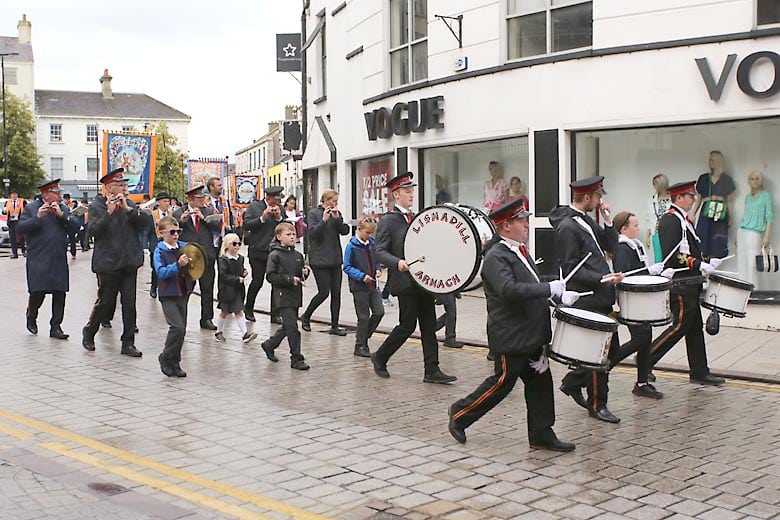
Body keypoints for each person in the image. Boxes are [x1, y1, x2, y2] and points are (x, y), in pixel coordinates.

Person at [447, 198, 577, 451]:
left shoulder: (518, 250)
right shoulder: (497, 256)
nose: (527, 224)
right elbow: (509, 290)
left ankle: (542, 432)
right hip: (512, 335)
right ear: (506, 225)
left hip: (532, 332)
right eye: (521, 220)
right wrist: (547, 287)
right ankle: (460, 414)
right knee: (502, 383)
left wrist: (557, 294)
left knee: (540, 383)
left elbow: (530, 284)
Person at [549, 176, 624, 424]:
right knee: (597, 354)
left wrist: (608, 220)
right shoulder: (568, 227)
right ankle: (597, 404)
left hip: (600, 295)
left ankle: (572, 382)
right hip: (588, 297)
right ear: (588, 197)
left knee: (611, 351)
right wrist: (603, 278)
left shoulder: (586, 221)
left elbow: (612, 246)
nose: (600, 200)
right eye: (598, 196)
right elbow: (571, 269)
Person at [371, 172, 457, 384]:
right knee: (407, 325)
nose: (411, 195)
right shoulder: (388, 221)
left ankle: (432, 370)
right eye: (407, 191)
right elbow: (380, 251)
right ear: (396, 194)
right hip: (405, 282)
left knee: (428, 327)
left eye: (412, 191)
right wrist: (397, 262)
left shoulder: (418, 218)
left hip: (423, 281)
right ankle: (380, 356)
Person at [649, 180, 726, 386]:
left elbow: (688, 251)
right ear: (679, 198)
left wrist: (706, 261)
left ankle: (699, 370)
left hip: (689, 282)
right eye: (690, 196)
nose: (693, 199)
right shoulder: (671, 220)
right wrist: (699, 264)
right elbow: (673, 256)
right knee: (680, 326)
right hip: (680, 284)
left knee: (694, 329)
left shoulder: (683, 220)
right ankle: (645, 360)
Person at [81, 168, 151, 357]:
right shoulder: (97, 206)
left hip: (129, 261)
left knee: (130, 304)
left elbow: (145, 223)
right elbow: (93, 232)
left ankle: (128, 343)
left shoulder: (129, 204)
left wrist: (128, 210)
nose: (124, 187)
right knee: (105, 302)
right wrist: (109, 213)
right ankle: (89, 331)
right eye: (120, 185)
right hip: (108, 263)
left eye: (124, 184)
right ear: (109, 188)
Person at [610, 211, 673, 399]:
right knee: (640, 340)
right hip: (631, 302)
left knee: (645, 339)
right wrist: (650, 271)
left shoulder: (634, 245)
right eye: (635, 225)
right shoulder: (622, 248)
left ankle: (642, 382)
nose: (639, 228)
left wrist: (657, 275)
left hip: (641, 301)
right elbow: (626, 275)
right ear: (624, 229)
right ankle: (601, 367)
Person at [17, 179, 80, 339]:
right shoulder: (31, 208)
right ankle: (31, 317)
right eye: (56, 193)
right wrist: (37, 218)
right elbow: (20, 228)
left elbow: (75, 226)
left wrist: (61, 216)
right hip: (39, 258)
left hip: (58, 258)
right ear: (45, 194)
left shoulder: (63, 208)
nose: (59, 196)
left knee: (60, 293)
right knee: (38, 292)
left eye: (59, 193)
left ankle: (56, 326)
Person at [260, 222, 311, 370]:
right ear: (279, 237)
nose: (292, 237)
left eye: (293, 234)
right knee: (293, 328)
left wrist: (304, 274)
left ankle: (269, 345)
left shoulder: (297, 255)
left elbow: (300, 276)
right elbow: (270, 276)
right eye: (288, 234)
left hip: (295, 296)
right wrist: (289, 280)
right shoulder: (274, 255)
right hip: (282, 296)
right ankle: (296, 358)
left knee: (287, 326)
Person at [301, 189, 350, 335]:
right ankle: (306, 316)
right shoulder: (314, 213)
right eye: (334, 200)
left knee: (337, 293)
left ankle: (334, 326)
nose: (336, 203)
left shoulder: (336, 213)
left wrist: (337, 219)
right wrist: (324, 220)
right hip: (319, 259)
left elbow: (345, 231)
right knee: (323, 292)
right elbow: (313, 234)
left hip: (335, 258)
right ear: (326, 200)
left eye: (336, 201)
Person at [174, 185, 223, 330]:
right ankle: (181, 318)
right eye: (199, 198)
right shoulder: (179, 212)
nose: (202, 201)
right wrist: (182, 221)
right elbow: (173, 230)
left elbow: (218, 228)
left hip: (206, 255)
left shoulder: (208, 211)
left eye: (203, 198)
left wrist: (204, 219)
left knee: (207, 289)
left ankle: (206, 318)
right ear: (191, 199)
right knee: (186, 289)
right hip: (189, 257)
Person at [152, 216, 194, 377]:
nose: (176, 235)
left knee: (182, 330)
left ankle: (175, 362)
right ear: (162, 233)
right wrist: (178, 265)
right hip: (168, 293)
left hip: (183, 292)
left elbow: (197, 260)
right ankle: (165, 357)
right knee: (177, 327)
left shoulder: (184, 247)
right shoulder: (159, 250)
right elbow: (161, 272)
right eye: (172, 232)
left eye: (178, 231)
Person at [343, 216, 385, 358]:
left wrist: (378, 268)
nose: (369, 236)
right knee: (363, 317)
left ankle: (363, 337)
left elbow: (377, 260)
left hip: (373, 285)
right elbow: (347, 267)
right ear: (359, 229)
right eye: (367, 232)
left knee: (379, 312)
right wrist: (361, 276)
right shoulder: (352, 246)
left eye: (371, 233)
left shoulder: (372, 243)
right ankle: (360, 346)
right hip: (359, 286)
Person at [243, 186, 285, 323]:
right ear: (268, 198)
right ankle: (248, 308)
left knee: (276, 283)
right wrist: (262, 217)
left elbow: (286, 228)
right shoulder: (255, 206)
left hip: (275, 251)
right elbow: (246, 224)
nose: (277, 203)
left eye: (279, 199)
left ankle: (275, 313)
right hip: (258, 251)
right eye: (275, 199)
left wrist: (279, 218)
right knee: (258, 281)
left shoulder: (280, 208)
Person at [214, 232, 257, 344]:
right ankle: (219, 331)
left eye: (239, 243)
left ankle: (244, 334)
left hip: (237, 290)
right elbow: (223, 275)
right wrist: (237, 279)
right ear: (227, 245)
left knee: (238, 311)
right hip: (227, 290)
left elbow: (240, 269)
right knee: (225, 312)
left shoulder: (240, 258)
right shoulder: (223, 259)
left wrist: (244, 272)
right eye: (234, 244)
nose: (237, 246)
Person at [693, 151, 736, 259]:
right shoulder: (703, 178)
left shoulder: (727, 179)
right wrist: (693, 213)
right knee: (703, 239)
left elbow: (729, 201)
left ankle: (714, 267)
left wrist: (731, 216)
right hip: (706, 212)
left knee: (718, 241)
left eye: (713, 160)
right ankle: (704, 265)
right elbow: (698, 199)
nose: (710, 162)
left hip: (720, 213)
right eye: (709, 160)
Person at [737, 170, 774, 286]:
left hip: (754, 232)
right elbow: (745, 216)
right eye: (752, 178)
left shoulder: (766, 196)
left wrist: (767, 236)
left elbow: (769, 217)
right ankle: (742, 289)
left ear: (761, 180)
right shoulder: (748, 197)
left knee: (752, 263)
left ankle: (754, 290)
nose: (754, 181)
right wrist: (736, 235)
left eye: (757, 178)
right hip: (742, 231)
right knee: (742, 262)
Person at [148, 192, 173, 299]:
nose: (167, 203)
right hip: (156, 243)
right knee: (156, 267)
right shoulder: (152, 215)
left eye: (168, 201)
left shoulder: (172, 214)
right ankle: (154, 286)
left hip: (169, 244)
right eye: (164, 201)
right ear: (158, 202)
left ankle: (165, 288)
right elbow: (148, 231)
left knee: (168, 266)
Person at [647, 174, 672, 262]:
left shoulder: (672, 198)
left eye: (655, 184)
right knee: (658, 257)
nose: (654, 187)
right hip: (657, 231)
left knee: (669, 256)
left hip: (670, 232)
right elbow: (650, 218)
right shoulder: (653, 199)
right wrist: (648, 236)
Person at [3, 190, 26, 258]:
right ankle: (14, 253)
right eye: (12, 194)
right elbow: (4, 211)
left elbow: (26, 210)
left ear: (17, 195)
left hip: (20, 221)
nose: (14, 196)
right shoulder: (7, 202)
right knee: (12, 238)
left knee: (21, 237)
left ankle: (23, 251)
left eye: (15, 194)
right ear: (10, 195)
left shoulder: (22, 201)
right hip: (11, 222)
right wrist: (4, 211)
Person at [62, 193, 78, 259]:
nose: (66, 201)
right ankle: (63, 252)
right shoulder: (61, 206)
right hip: (64, 224)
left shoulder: (74, 205)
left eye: (68, 199)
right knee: (63, 240)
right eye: (65, 199)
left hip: (71, 224)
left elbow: (77, 214)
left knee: (72, 240)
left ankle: (73, 253)